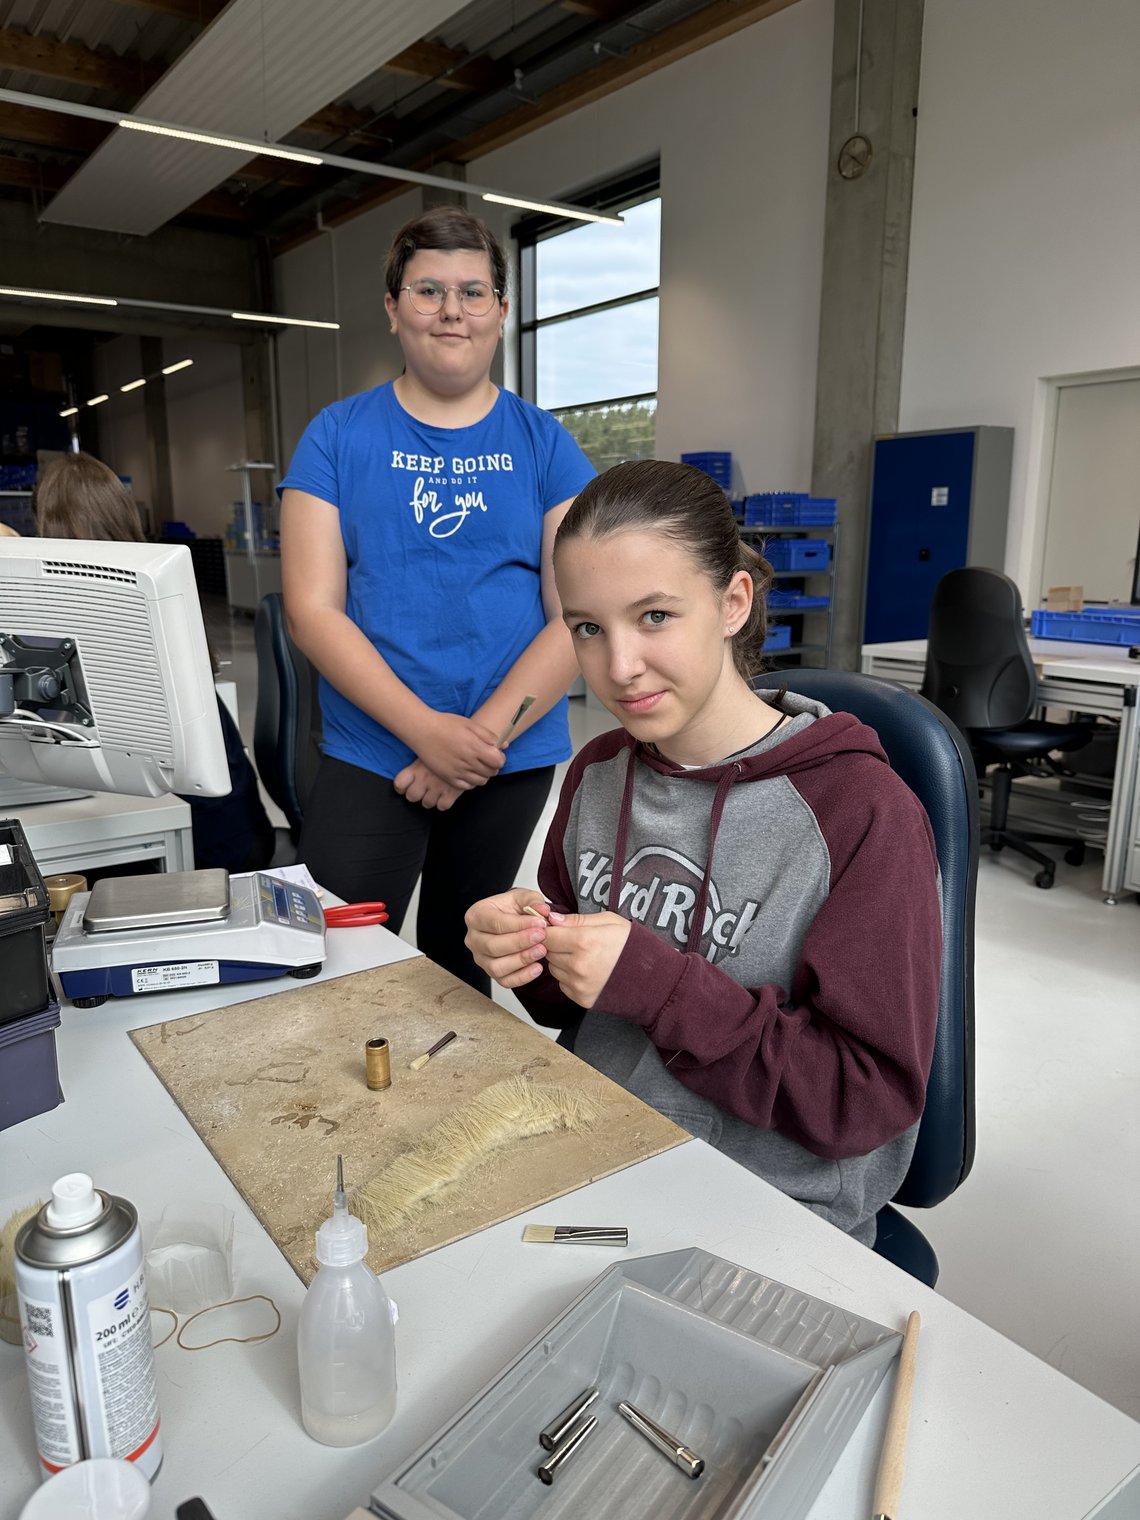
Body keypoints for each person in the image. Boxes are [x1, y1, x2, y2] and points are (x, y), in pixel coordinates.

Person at [464, 459, 942, 1244]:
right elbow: (571, 1010)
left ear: (732, 603)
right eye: (588, 627)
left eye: (654, 616)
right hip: (598, 1157)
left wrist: (656, 985)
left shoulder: (860, 813)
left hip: (764, 1208)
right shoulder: (599, 774)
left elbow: (863, 1099)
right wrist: (528, 948)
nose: (618, 668)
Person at [279, 205, 595, 992]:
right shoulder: (336, 436)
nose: (452, 310)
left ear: (500, 310)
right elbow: (313, 609)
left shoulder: (546, 444)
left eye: (472, 291)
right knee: (339, 965)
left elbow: (577, 614)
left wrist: (475, 743)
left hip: (507, 757)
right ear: (392, 308)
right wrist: (426, 733)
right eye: (427, 290)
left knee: (467, 963)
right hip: (370, 753)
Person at [34, 452, 275, 876]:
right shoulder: (155, 590)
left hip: (201, 845)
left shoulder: (105, 618)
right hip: (228, 825)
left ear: (50, 526)